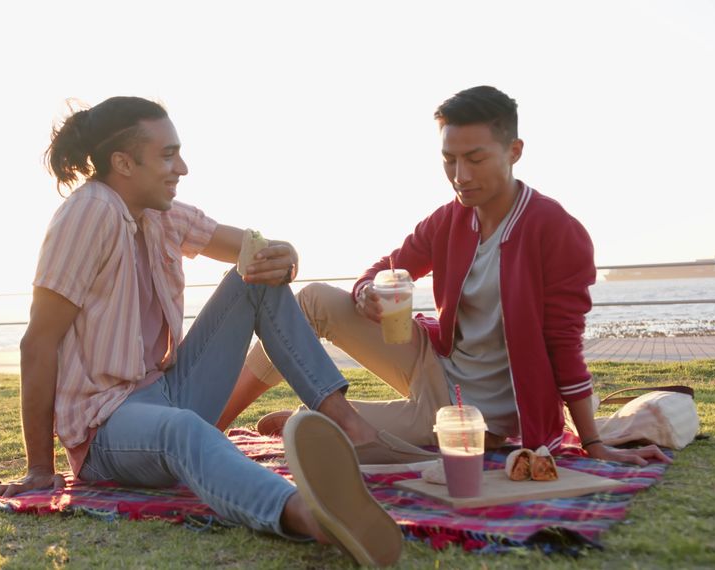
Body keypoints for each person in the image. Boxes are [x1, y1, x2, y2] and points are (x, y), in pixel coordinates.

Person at [0, 96, 410, 566]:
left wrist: (284, 255)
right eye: (167, 154)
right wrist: (40, 469)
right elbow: (38, 342)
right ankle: (309, 516)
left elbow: (254, 250)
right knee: (182, 429)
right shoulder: (89, 214)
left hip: (168, 390)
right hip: (106, 430)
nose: (181, 167)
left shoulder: (160, 211)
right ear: (123, 163)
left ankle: (350, 429)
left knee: (255, 282)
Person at [219, 86, 671, 467]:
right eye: (449, 160)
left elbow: (564, 345)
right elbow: (386, 267)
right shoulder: (450, 220)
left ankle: (313, 419)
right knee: (314, 298)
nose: (460, 175)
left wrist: (591, 441)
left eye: (475, 158)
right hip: (434, 361)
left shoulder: (556, 232)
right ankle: (213, 422)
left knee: (311, 431)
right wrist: (365, 293)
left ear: (514, 151)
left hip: (473, 413)